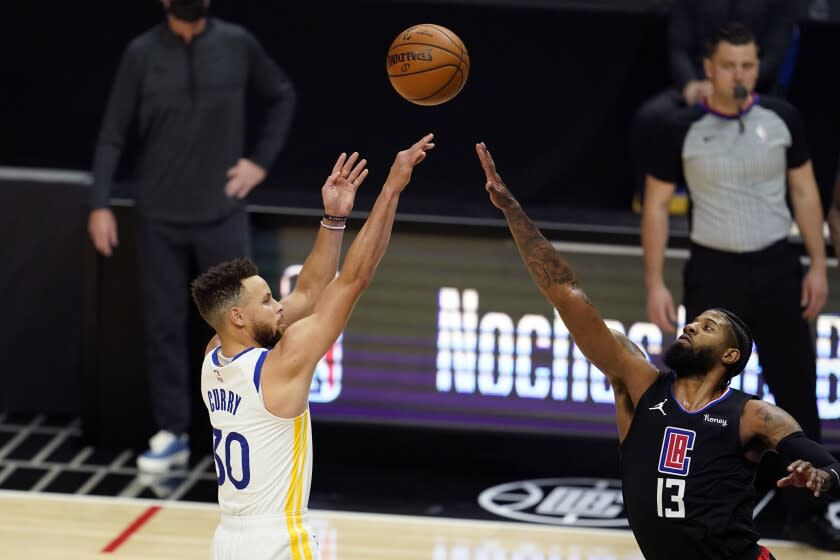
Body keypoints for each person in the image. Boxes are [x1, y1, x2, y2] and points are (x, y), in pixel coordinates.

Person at [475, 140, 840, 560]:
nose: (690, 326)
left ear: (730, 356)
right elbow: (565, 292)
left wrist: (820, 478)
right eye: (693, 320)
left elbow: (826, 464)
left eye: (708, 327)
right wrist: (513, 212)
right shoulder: (639, 384)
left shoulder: (754, 414)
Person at [190, 134, 434, 560]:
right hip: (279, 541)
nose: (279, 307)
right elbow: (353, 280)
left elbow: (308, 292)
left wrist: (333, 219)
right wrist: (392, 187)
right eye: (267, 301)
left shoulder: (215, 353)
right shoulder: (283, 364)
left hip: (227, 542)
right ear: (239, 318)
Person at [641, 23, 838, 549]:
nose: (740, 75)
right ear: (709, 68)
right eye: (730, 65)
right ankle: (706, 508)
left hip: (777, 265)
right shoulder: (679, 127)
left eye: (748, 65)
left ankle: (807, 512)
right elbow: (657, 206)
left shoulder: (782, 118)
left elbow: (805, 193)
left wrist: (818, 264)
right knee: (706, 398)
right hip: (713, 270)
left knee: (797, 388)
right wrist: (655, 280)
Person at [87, 0, 296, 471]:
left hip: (221, 212)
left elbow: (282, 94)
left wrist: (259, 162)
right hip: (159, 215)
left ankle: (256, 427)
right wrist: (99, 202)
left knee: (247, 325)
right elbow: (111, 134)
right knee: (162, 325)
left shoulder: (236, 42)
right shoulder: (141, 53)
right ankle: (173, 432)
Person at [630, 0, 797, 209]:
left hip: (753, 89)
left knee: (783, 119)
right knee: (651, 117)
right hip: (698, 86)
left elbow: (774, 57)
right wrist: (690, 85)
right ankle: (651, 207)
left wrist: (730, 85)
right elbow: (678, 48)